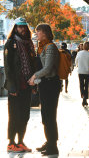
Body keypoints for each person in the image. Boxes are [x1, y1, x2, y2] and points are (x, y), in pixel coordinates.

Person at [28, 23, 61, 156]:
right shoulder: (42, 47)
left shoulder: (50, 47)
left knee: (50, 116)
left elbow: (47, 69)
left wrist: (34, 76)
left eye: (38, 32)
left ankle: (53, 146)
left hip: (51, 84)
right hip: (45, 84)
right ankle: (49, 142)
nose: (37, 34)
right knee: (45, 115)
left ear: (45, 33)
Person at [4, 17, 35, 152]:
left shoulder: (29, 44)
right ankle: (11, 143)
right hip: (15, 85)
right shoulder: (10, 43)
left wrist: (34, 85)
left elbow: (32, 65)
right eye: (19, 27)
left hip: (27, 85)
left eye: (24, 27)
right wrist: (11, 86)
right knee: (14, 114)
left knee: (25, 115)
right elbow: (7, 67)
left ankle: (21, 142)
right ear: (15, 28)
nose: (22, 29)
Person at [75, 41, 89, 107]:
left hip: (81, 71)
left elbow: (76, 62)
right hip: (88, 71)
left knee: (81, 84)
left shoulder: (79, 53)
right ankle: (85, 98)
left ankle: (83, 95)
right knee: (86, 84)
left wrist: (78, 65)